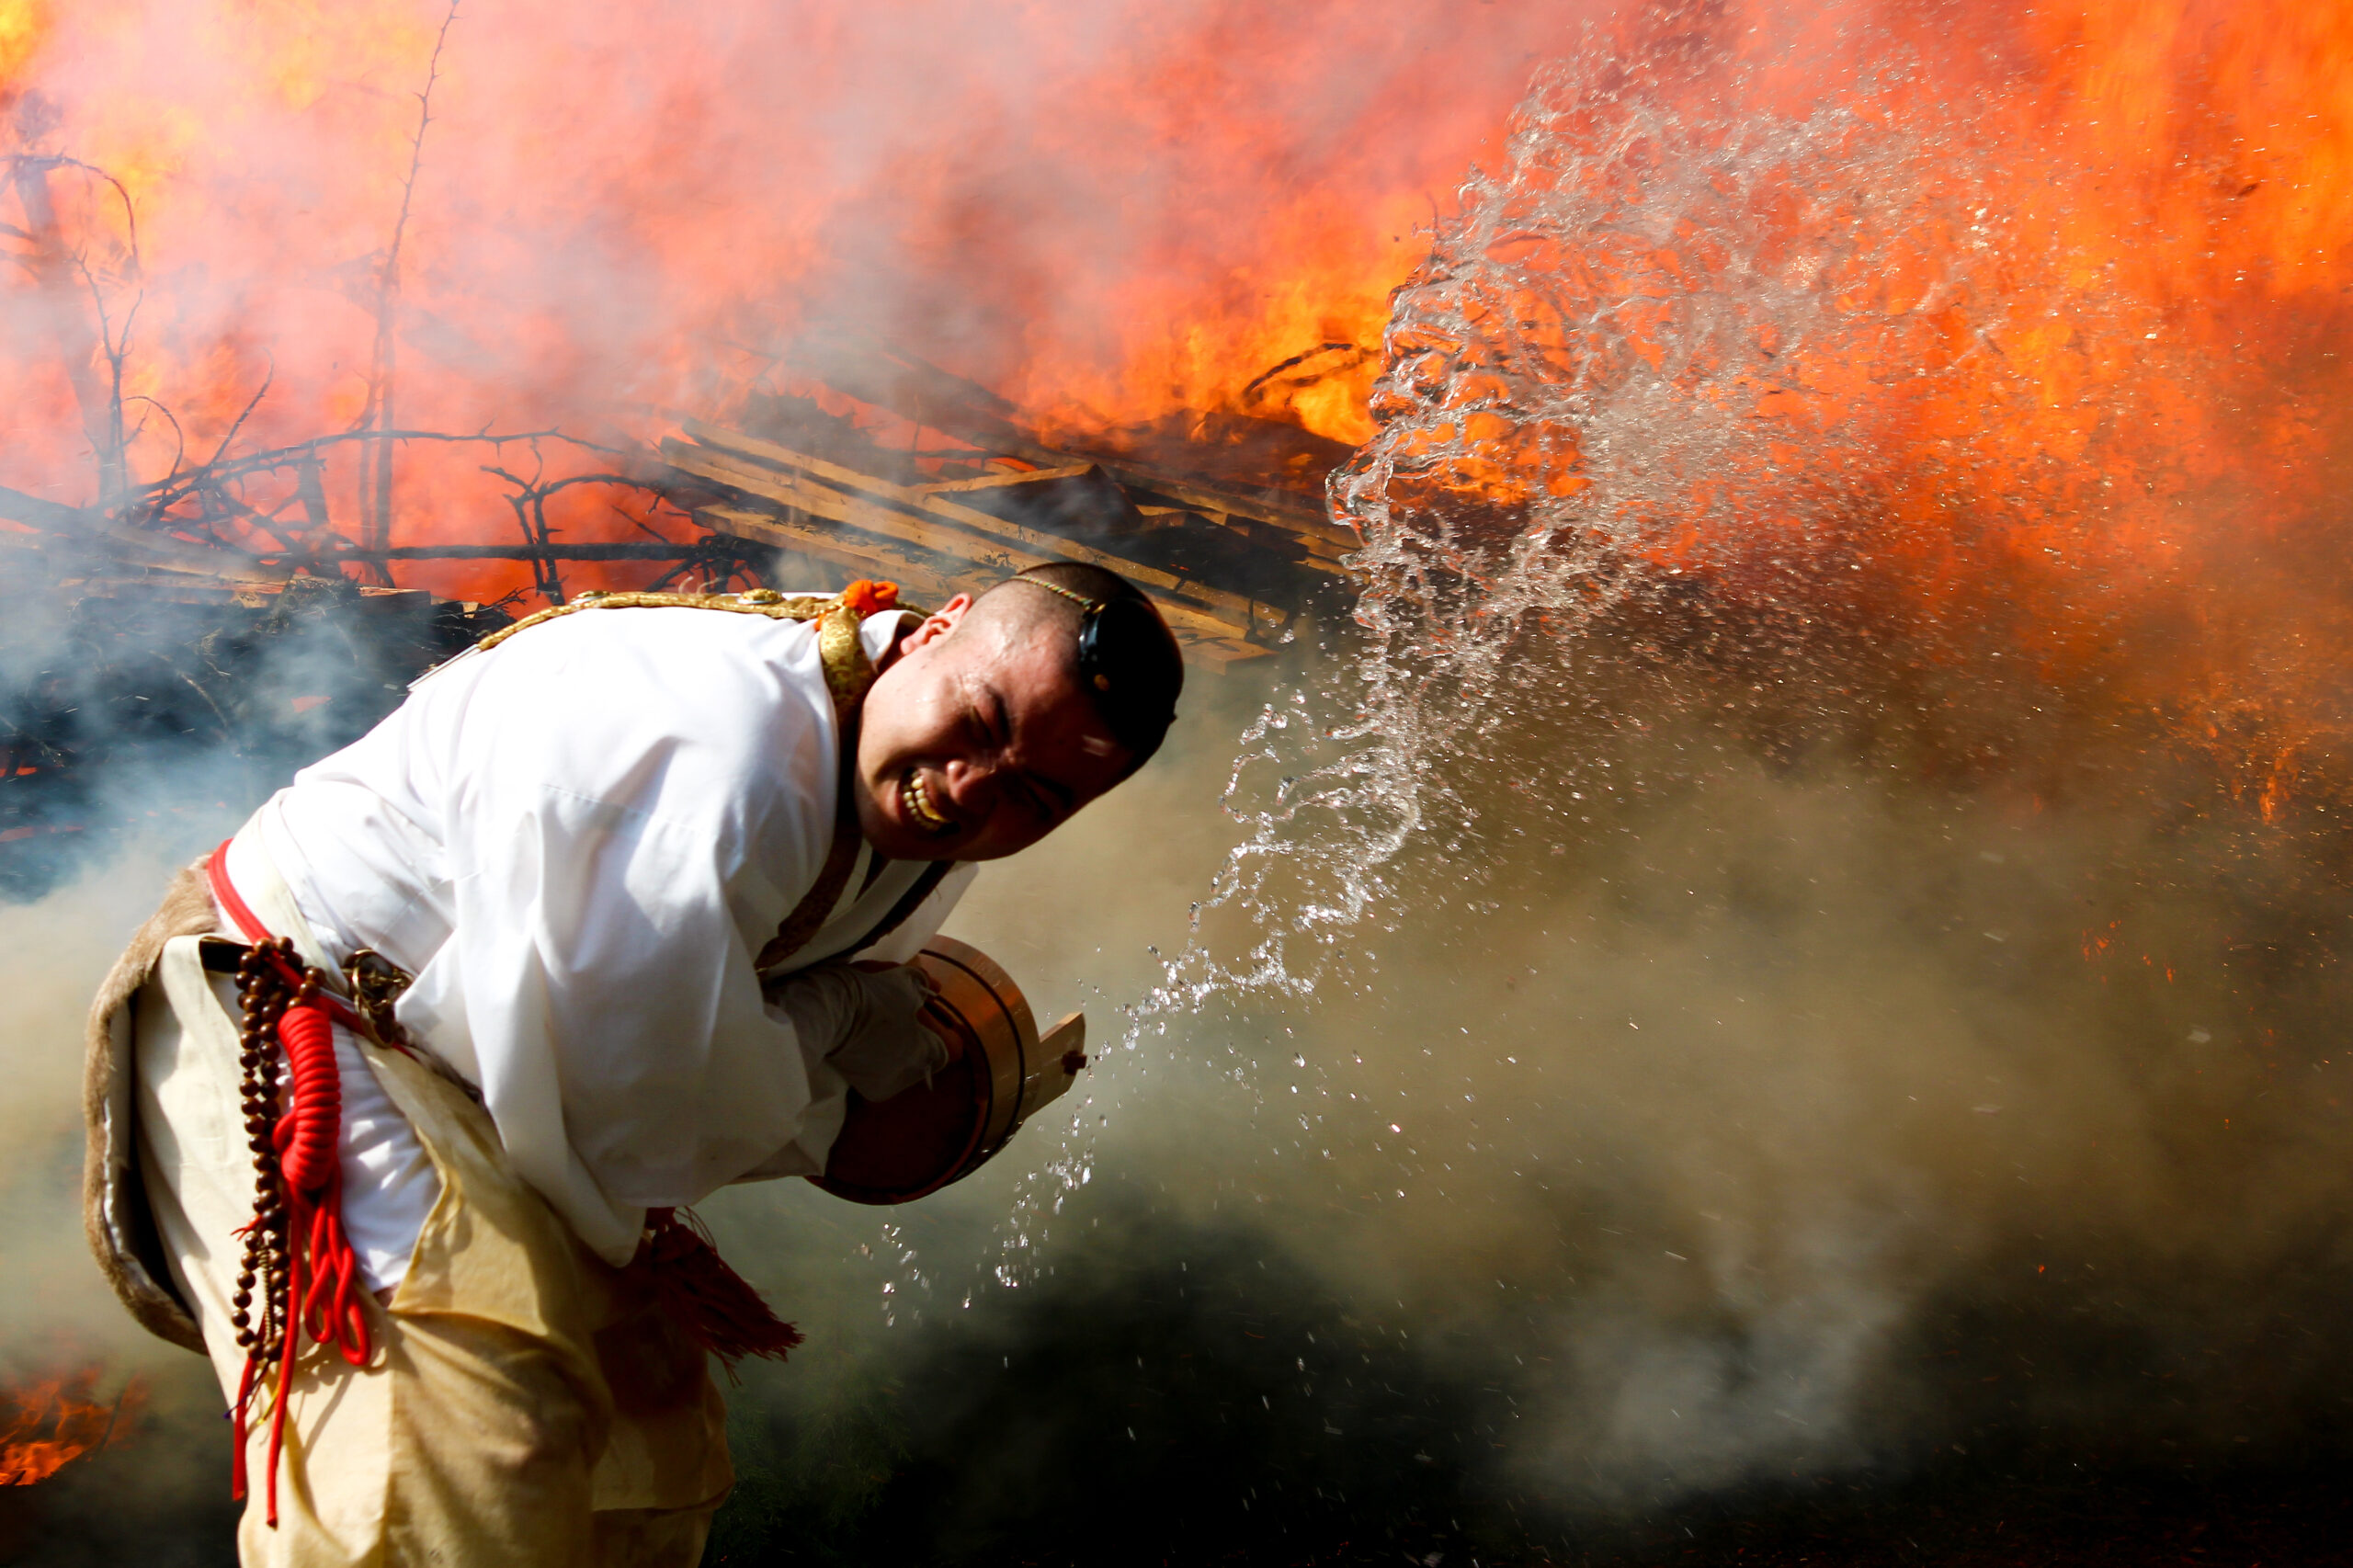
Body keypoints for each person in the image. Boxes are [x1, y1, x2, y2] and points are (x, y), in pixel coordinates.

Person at [82, 561, 1184, 1566]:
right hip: (318, 1014)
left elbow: (669, 1047)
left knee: (648, 1460)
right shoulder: (718, 751)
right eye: (978, 719)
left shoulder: (897, 781)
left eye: (1036, 794)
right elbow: (622, 1103)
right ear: (933, 631)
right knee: (461, 1446)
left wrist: (836, 1033)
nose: (971, 785)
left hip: (487, 1073)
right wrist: (842, 1023)